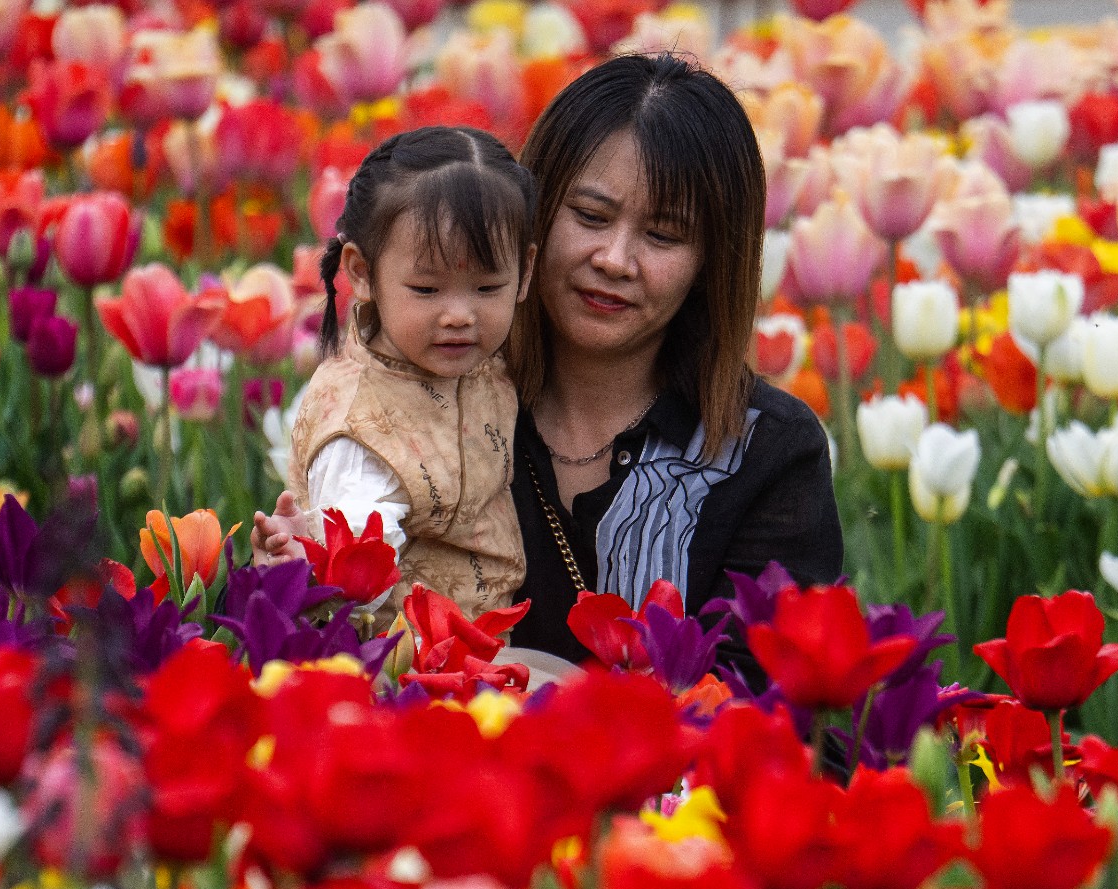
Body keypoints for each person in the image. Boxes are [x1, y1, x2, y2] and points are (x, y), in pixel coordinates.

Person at [502, 53, 841, 664]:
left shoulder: (767, 452)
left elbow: (769, 703)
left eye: (662, 236)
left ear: (712, 261)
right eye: (590, 216)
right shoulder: (444, 404)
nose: (615, 259)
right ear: (533, 210)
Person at [254, 125, 537, 618]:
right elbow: (362, 586)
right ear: (361, 273)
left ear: (525, 274)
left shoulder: (481, 361)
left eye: (487, 288)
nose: (459, 316)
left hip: (485, 635)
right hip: (399, 660)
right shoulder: (361, 433)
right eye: (427, 290)